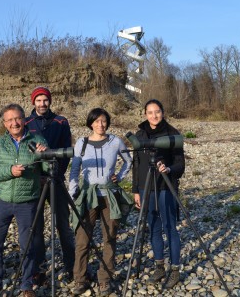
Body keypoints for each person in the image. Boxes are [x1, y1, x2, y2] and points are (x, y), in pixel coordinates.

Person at [0, 104, 48, 297]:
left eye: (18, 118)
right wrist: (9, 171)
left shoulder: (37, 139)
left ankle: (26, 286)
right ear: (4, 123)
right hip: (2, 202)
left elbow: (47, 170)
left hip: (27, 202)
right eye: (9, 120)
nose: (14, 123)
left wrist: (43, 155)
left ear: (24, 119)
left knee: (26, 245)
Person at [69, 108, 133, 296]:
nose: (100, 124)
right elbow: (74, 169)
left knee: (110, 237)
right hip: (88, 195)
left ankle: (105, 278)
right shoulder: (82, 143)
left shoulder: (116, 142)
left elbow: (128, 161)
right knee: (82, 240)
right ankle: (80, 278)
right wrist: (73, 192)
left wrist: (119, 177)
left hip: (109, 195)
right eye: (96, 121)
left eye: (103, 121)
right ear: (90, 123)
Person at [131, 99, 185, 288]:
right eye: (150, 112)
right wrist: (135, 190)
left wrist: (168, 169)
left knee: (170, 226)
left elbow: (180, 165)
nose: (154, 116)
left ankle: (175, 269)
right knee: (153, 226)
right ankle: (160, 266)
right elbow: (136, 165)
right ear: (145, 114)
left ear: (163, 112)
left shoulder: (172, 134)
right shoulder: (139, 135)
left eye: (157, 112)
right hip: (146, 187)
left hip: (166, 186)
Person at [25, 86, 75, 284]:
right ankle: (39, 269)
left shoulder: (61, 121)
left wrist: (56, 173)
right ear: (33, 102)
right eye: (38, 100)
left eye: (45, 100)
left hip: (56, 179)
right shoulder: (26, 122)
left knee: (63, 224)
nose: (42, 104)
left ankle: (71, 266)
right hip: (35, 181)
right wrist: (37, 175)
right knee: (36, 227)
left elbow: (66, 150)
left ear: (50, 101)